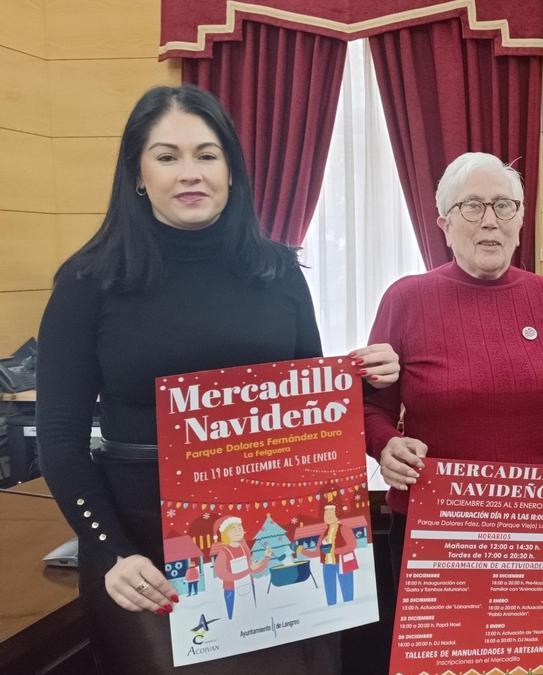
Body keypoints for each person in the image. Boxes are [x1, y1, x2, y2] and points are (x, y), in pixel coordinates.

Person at [36, 85, 399, 674]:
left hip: (277, 542)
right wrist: (111, 550)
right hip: (145, 554)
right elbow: (59, 439)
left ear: (231, 170)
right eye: (167, 156)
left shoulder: (279, 270)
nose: (190, 173)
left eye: (207, 155)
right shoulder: (87, 282)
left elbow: (303, 411)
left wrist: (364, 379)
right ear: (137, 173)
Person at [363, 151, 543, 580]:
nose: (490, 221)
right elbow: (372, 409)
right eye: (473, 206)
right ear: (444, 224)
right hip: (435, 528)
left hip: (538, 526)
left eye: (503, 205)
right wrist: (386, 446)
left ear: (520, 220)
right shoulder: (404, 299)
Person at [296, 505, 359, 606]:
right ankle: (331, 608)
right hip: (327, 565)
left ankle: (350, 608)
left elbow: (352, 545)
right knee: (330, 591)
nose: (327, 516)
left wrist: (334, 551)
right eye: (326, 514)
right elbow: (317, 552)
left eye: (330, 513)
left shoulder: (344, 528)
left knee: (347, 590)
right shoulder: (324, 533)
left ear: (337, 514)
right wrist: (303, 550)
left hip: (342, 563)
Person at [211, 516, 271, 620]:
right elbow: (223, 575)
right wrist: (248, 571)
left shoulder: (244, 549)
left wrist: (266, 558)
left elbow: (254, 569)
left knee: (253, 615)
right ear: (226, 533)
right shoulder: (224, 553)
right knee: (233, 619)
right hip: (231, 590)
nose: (238, 531)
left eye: (239, 528)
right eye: (234, 529)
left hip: (249, 586)